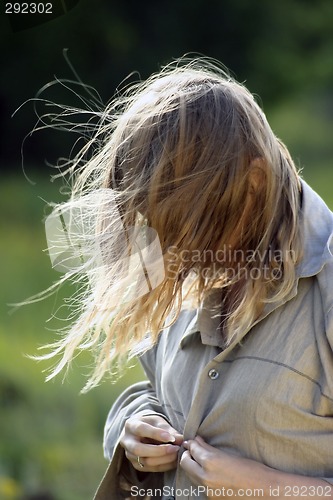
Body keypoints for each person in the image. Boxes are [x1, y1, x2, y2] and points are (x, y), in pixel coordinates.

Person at [43, 57, 333, 499]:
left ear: (254, 183)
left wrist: (270, 488)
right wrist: (133, 431)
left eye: (194, 229)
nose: (180, 261)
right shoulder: (189, 263)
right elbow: (161, 394)